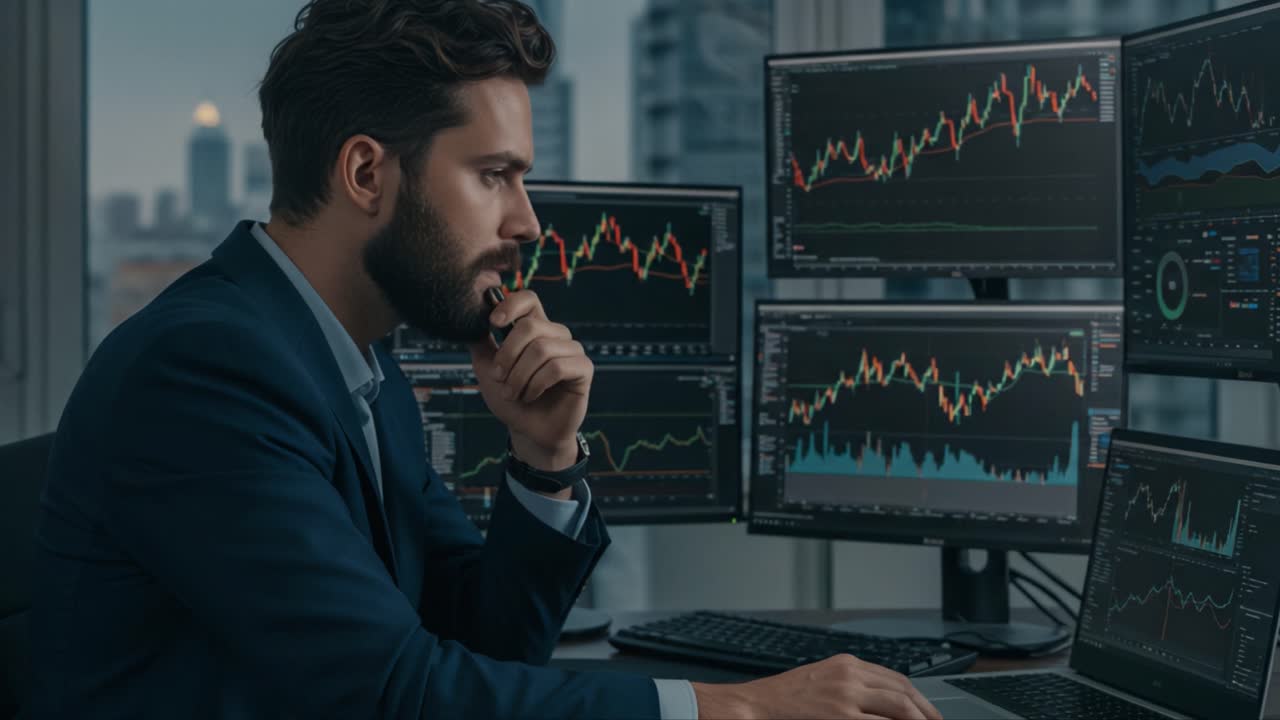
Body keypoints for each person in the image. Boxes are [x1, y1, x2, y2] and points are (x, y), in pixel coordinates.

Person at [30, 1, 942, 718]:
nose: (527, 222)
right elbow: (398, 693)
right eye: (494, 175)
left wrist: (543, 459)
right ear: (366, 174)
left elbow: (484, 648)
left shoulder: (355, 365)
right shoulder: (208, 369)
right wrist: (734, 707)